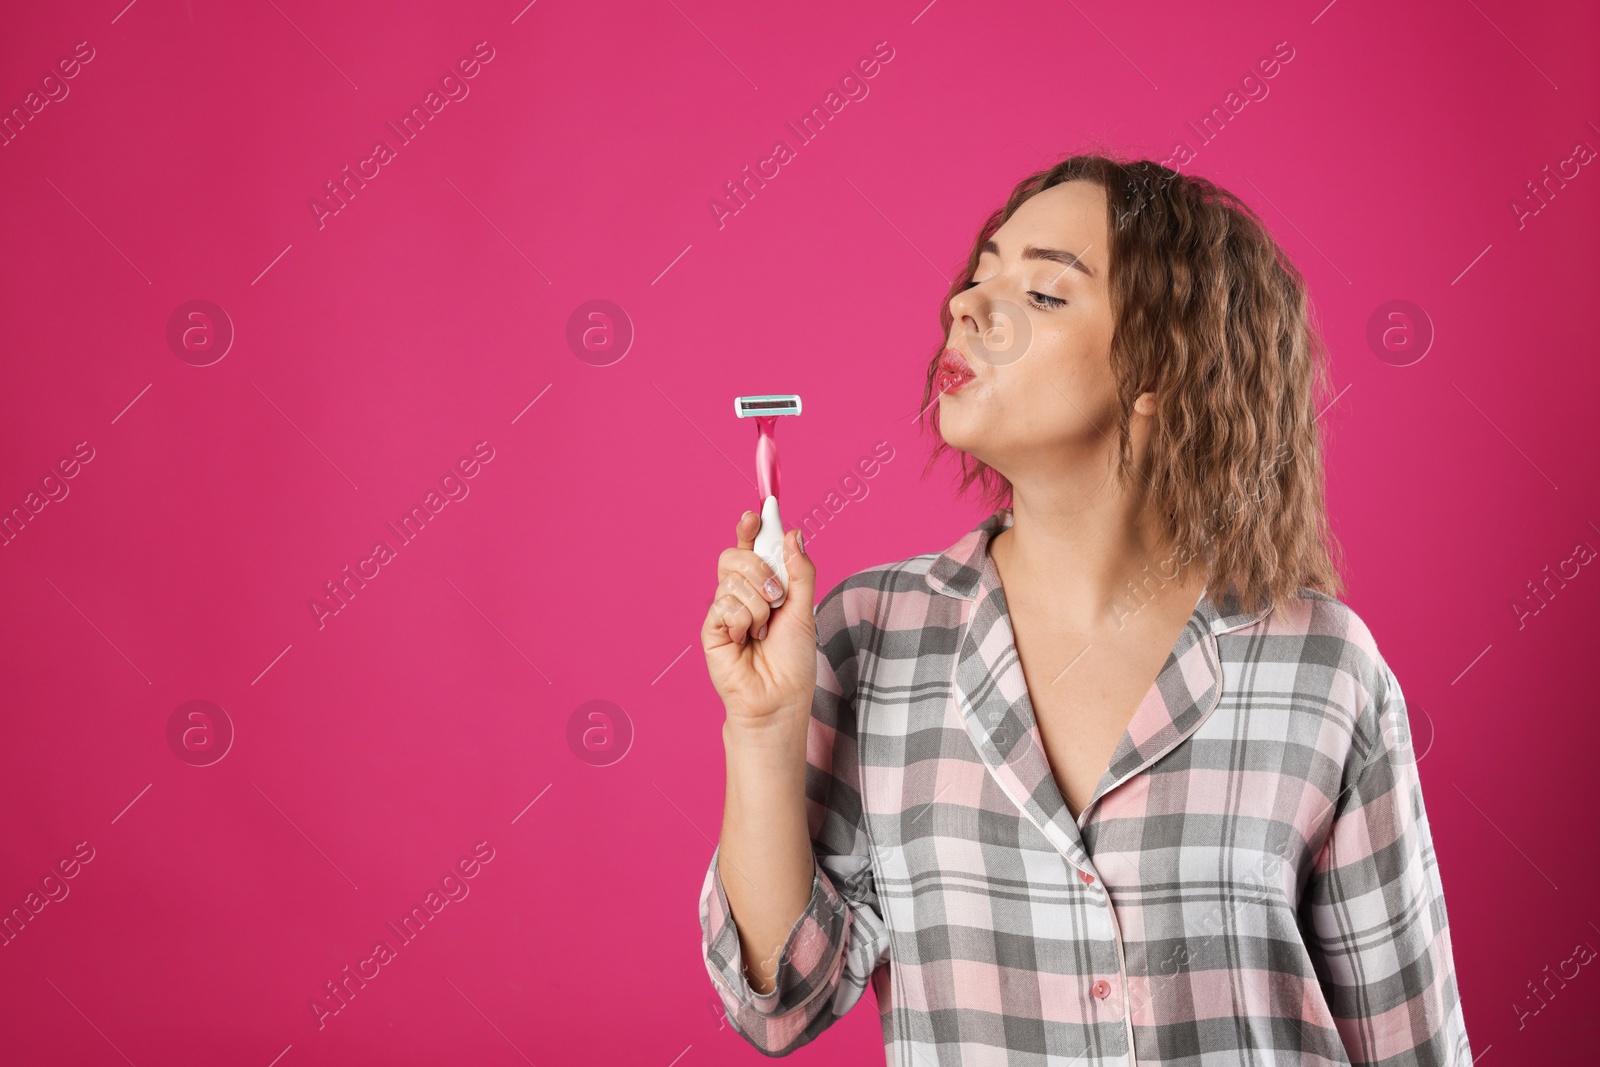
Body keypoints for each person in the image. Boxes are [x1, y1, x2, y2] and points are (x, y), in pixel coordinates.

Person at [697, 152, 1471, 1065]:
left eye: (1045, 294)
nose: (967, 305)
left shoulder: (1322, 666)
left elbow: (1410, 1043)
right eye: (979, 274)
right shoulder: (870, 637)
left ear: (1157, 368)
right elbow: (782, 1001)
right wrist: (763, 724)